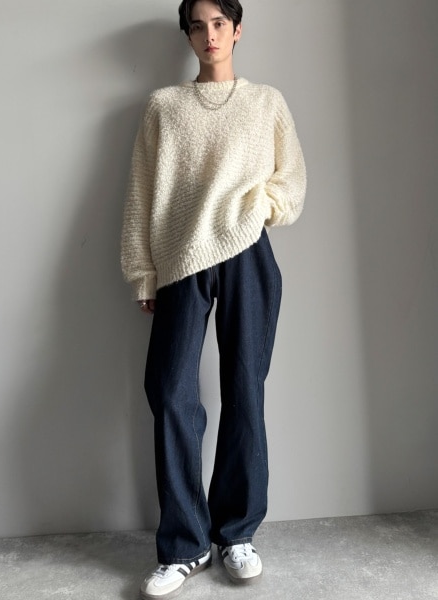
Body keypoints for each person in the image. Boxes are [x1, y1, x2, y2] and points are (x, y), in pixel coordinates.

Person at [121, 0, 306, 597]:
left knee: (245, 389)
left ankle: (237, 533)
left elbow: (292, 179)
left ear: (237, 30)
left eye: (219, 24)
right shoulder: (163, 106)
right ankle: (184, 544)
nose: (209, 35)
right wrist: (143, 273)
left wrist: (260, 207)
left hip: (248, 252)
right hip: (182, 256)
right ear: (187, 35)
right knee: (170, 391)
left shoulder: (266, 102)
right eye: (197, 26)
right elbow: (142, 192)